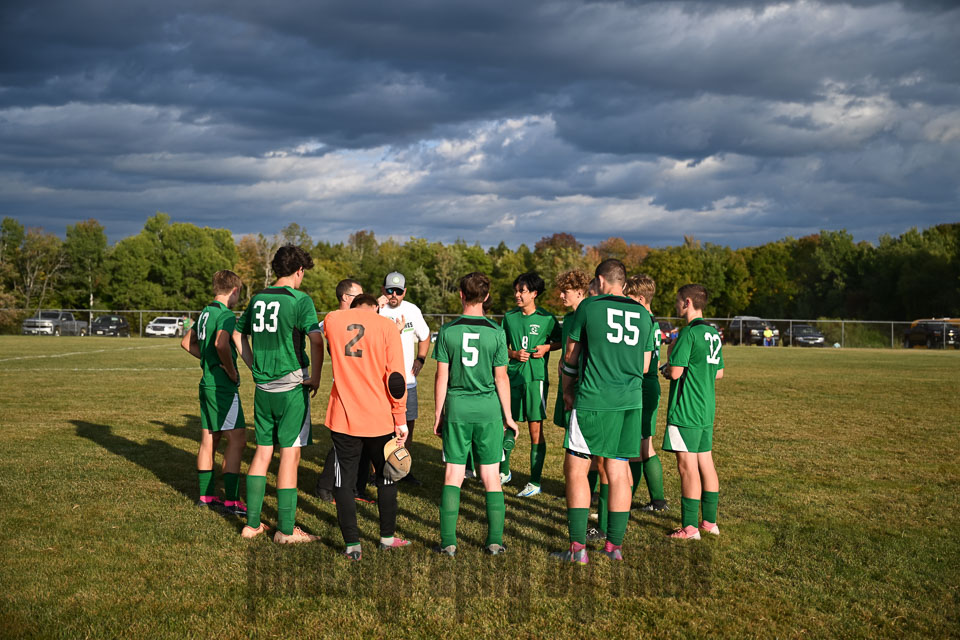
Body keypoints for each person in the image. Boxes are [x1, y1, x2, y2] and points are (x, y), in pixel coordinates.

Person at [553, 259, 654, 563]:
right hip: (630, 402)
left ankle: (577, 549)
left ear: (599, 280)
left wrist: (568, 389)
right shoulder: (644, 314)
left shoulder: (590, 307)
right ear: (624, 282)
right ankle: (614, 547)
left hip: (595, 400)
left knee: (576, 468)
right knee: (619, 470)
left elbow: (571, 357)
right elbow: (646, 365)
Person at [232, 245, 324, 544]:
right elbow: (316, 339)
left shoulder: (258, 296)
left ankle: (252, 525)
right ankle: (285, 530)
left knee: (262, 452)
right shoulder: (300, 299)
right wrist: (317, 377)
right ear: (299, 271)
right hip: (291, 387)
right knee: (289, 455)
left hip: (263, 388)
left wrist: (253, 365)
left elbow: (237, 333)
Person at [432, 272, 519, 556]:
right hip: (488, 409)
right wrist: (508, 415)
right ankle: (494, 541)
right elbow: (501, 379)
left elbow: (441, 376)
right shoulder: (496, 332)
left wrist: (438, 413)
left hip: (457, 407)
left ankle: (448, 543)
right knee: (491, 476)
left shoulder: (448, 331)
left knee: (452, 475)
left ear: (460, 294)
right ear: (485, 297)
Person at [323, 293, 410, 561]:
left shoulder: (332, 319)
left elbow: (332, 339)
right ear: (376, 307)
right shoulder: (385, 326)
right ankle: (385, 539)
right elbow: (396, 379)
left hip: (344, 416)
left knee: (343, 482)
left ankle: (352, 545)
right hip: (380, 417)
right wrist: (400, 417)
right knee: (387, 477)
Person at [180, 269, 247, 516]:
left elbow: (186, 343)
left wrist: (207, 361)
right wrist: (230, 372)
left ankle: (205, 497)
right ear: (234, 291)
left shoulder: (206, 312)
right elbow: (221, 343)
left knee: (210, 439)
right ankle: (231, 501)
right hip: (221, 386)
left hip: (206, 383)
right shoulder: (226, 315)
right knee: (238, 440)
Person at [661, 284, 724, 540]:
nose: (677, 306)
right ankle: (710, 523)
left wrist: (667, 365)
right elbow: (718, 373)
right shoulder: (713, 333)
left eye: (678, 301)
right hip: (706, 408)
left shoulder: (689, 333)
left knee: (687, 467)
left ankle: (689, 528)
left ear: (687, 302)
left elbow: (675, 372)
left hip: (686, 408)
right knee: (706, 463)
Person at [314, 278, 376, 504]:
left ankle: (356, 487)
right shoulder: (332, 320)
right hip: (347, 387)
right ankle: (326, 487)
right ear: (346, 298)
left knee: (365, 439)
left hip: (366, 387)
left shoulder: (355, 320)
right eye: (358, 296)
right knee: (345, 441)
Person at [551, 269, 603, 540]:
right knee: (585, 453)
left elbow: (573, 355)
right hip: (580, 390)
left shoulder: (589, 313)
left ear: (582, 291)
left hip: (586, 393)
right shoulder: (571, 317)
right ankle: (589, 500)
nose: (561, 295)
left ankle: (593, 514)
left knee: (588, 456)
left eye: (566, 291)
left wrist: (569, 386)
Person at [501, 272, 561, 497]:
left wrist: (547, 348)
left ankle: (535, 482)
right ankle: (504, 472)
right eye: (516, 290)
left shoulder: (547, 318)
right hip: (512, 377)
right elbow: (500, 347)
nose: (517, 295)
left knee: (536, 430)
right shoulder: (509, 317)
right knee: (506, 424)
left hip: (536, 379)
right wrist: (513, 353)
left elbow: (562, 340)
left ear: (534, 293)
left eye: (522, 291)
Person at [377, 271, 431, 487]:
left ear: (404, 292)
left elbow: (425, 335)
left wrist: (421, 358)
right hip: (380, 381)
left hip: (407, 381)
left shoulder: (412, 310)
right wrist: (375, 306)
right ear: (383, 290)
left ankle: (404, 469)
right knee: (380, 428)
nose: (394, 295)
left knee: (407, 428)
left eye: (398, 291)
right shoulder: (376, 309)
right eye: (390, 290)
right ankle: (378, 471)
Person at [623, 274, 668, 513]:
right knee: (643, 445)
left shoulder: (643, 321)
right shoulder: (652, 321)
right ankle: (657, 501)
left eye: (629, 298)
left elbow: (641, 362)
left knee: (638, 447)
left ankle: (625, 500)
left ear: (641, 299)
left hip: (642, 384)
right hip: (648, 384)